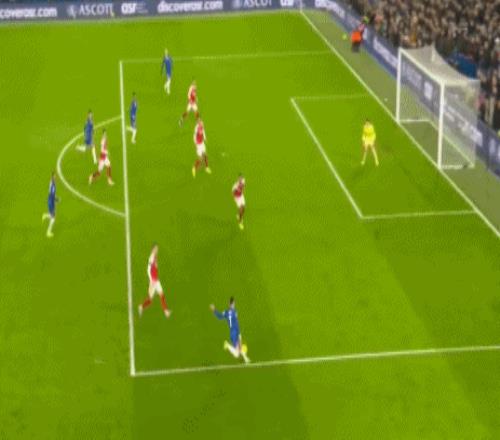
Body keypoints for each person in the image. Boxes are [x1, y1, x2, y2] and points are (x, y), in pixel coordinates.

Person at [210, 297, 250, 363]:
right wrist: (239, 335)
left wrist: (214, 310)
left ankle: (246, 359)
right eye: (234, 303)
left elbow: (220, 316)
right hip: (235, 332)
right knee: (237, 353)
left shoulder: (226, 312)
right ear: (233, 304)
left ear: (229, 304)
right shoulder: (235, 312)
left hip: (232, 332)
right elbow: (237, 324)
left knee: (239, 349)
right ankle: (227, 345)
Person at [138, 244, 171, 319]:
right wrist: (151, 281)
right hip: (153, 281)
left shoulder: (155, 257)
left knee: (162, 295)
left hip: (156, 281)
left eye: (157, 249)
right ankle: (141, 307)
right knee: (150, 300)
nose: (157, 250)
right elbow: (148, 269)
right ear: (153, 249)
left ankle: (166, 311)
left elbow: (154, 269)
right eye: (155, 249)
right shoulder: (151, 258)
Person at [42, 171, 59, 238]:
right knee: (53, 218)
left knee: (52, 215)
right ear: (52, 177)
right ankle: (48, 232)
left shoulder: (52, 182)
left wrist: (55, 199)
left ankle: (45, 215)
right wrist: (56, 199)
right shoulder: (53, 185)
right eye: (54, 176)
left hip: (51, 200)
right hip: (51, 202)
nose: (55, 177)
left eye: (56, 176)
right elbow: (52, 194)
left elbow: (52, 194)